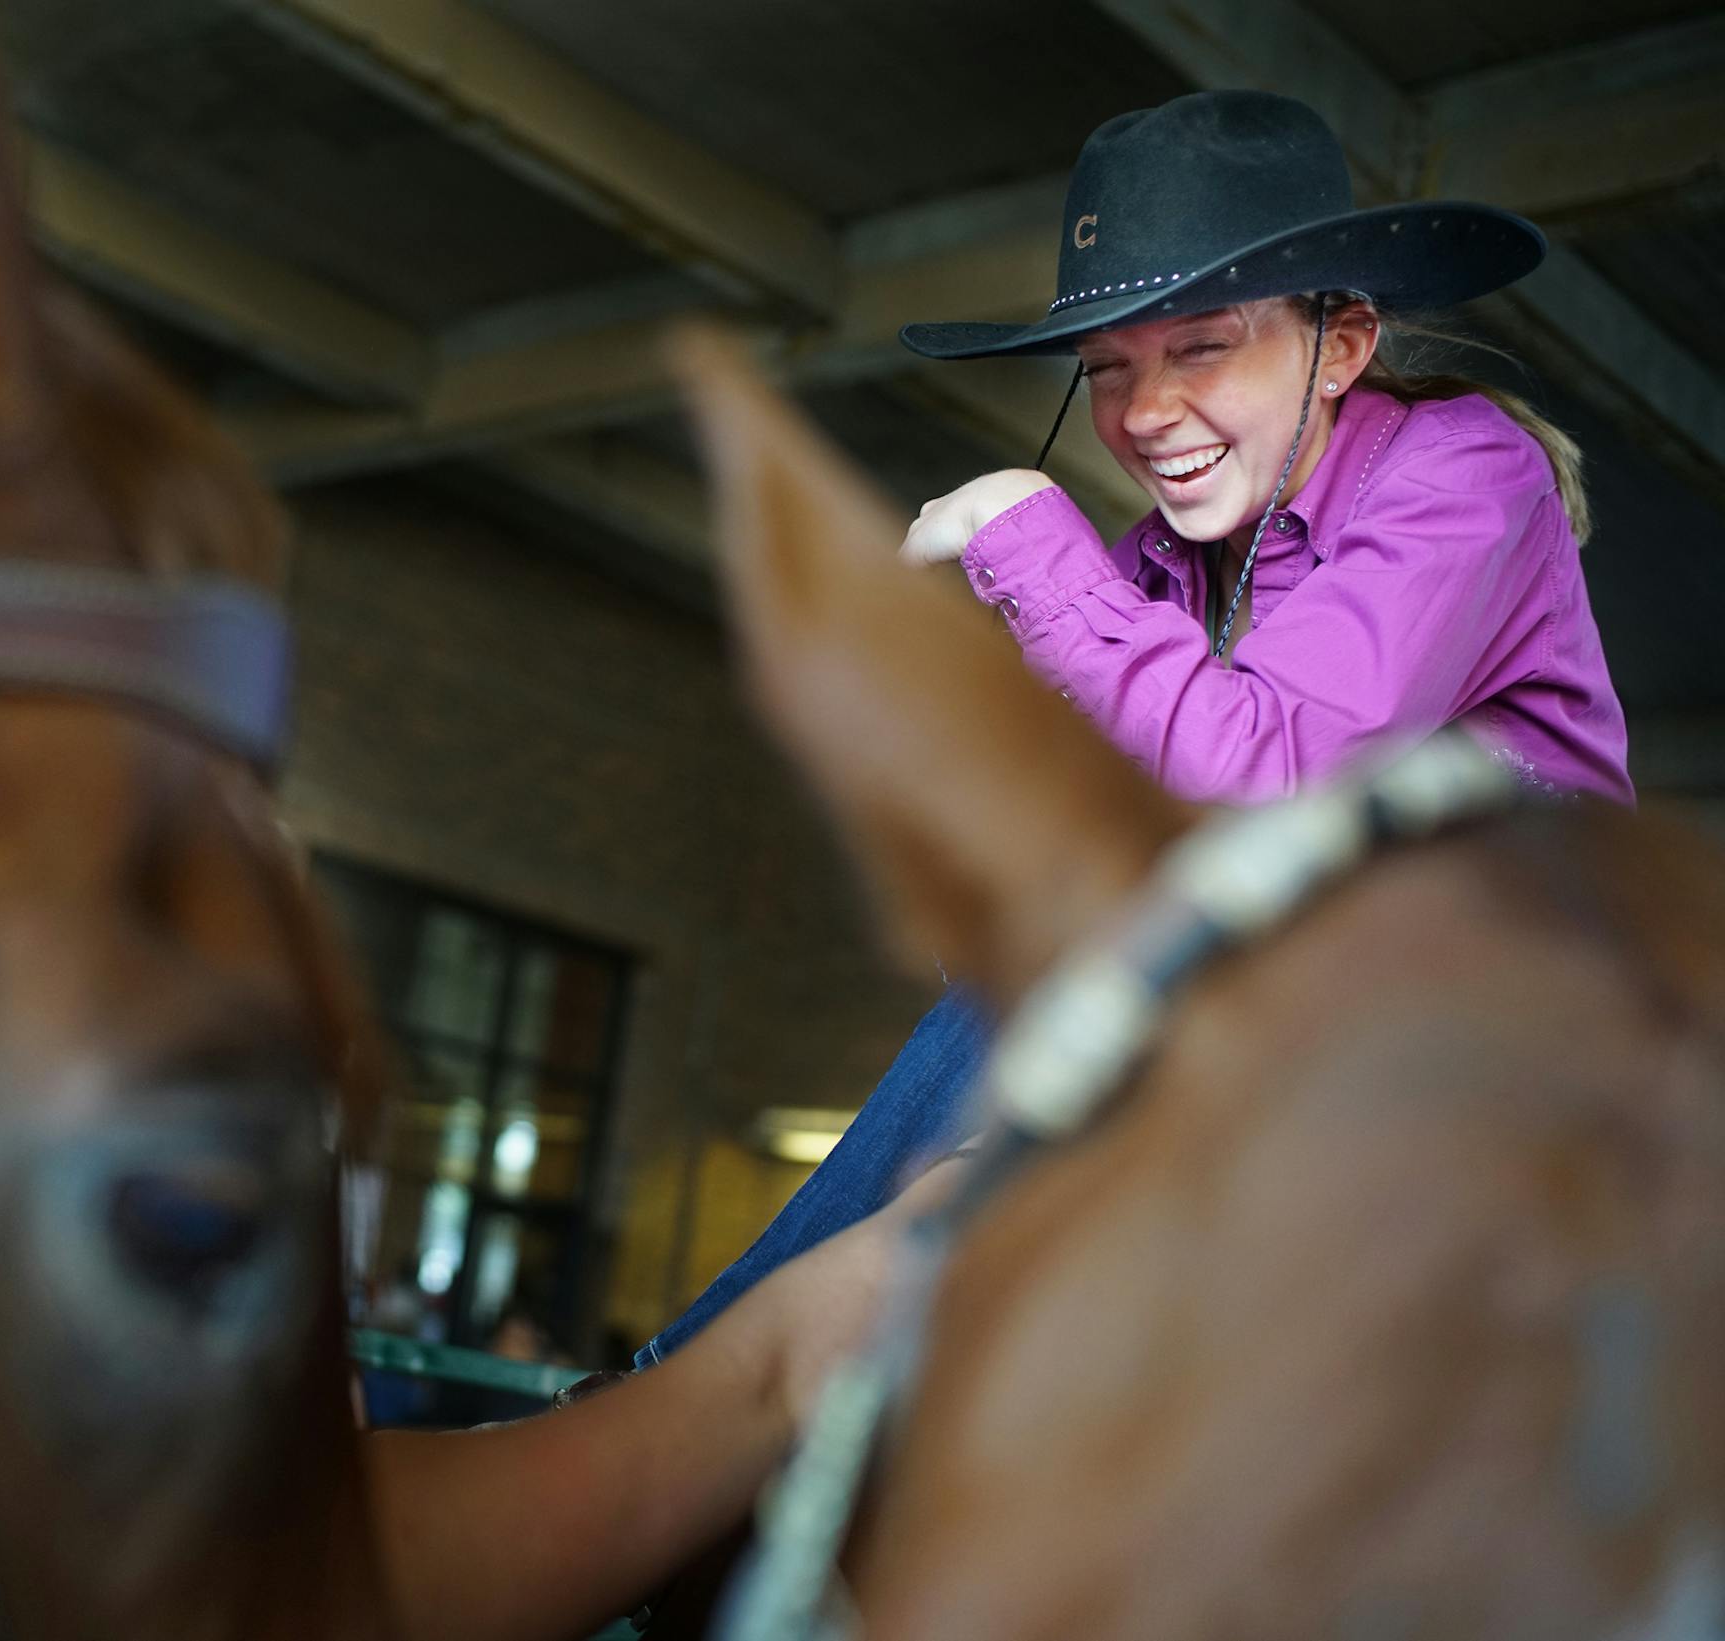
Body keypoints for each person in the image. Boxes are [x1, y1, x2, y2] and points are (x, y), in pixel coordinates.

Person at [634, 87, 1631, 1371]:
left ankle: (673, 1396)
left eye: (1202, 348)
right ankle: (728, 1429)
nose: (1145, 412)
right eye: (1107, 369)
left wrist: (1021, 532)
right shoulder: (1150, 576)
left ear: (1341, 343)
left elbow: (1268, 783)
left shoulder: (1466, 472)